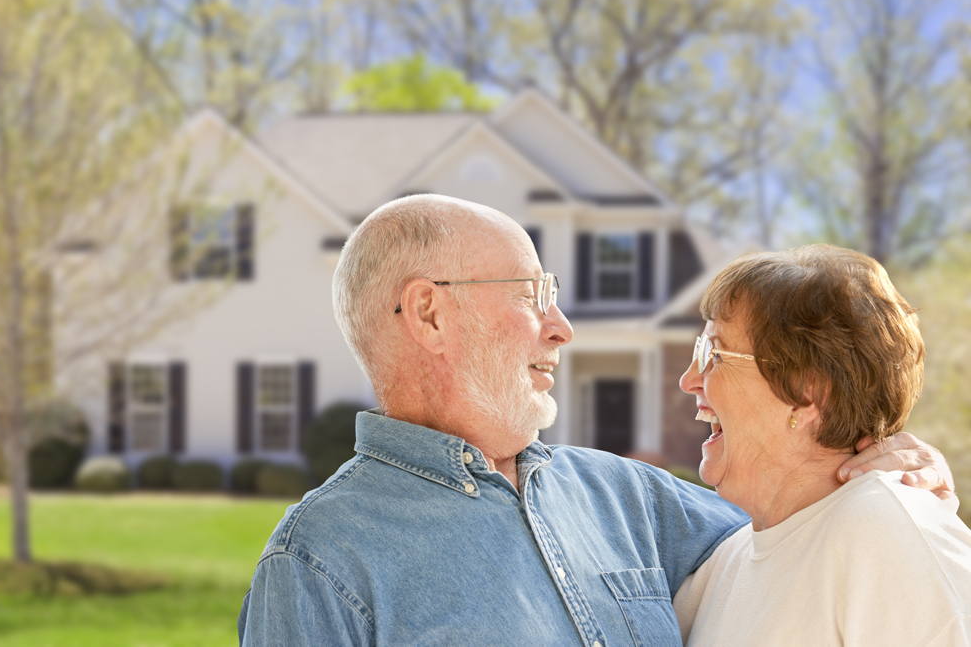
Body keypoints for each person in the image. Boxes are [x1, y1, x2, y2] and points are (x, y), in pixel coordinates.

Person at [237, 195, 954, 647]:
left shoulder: (628, 498)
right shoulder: (317, 566)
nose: (562, 326)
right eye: (532, 293)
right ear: (429, 311)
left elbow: (801, 525)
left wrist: (883, 454)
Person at [672, 245, 971, 646]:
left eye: (714, 353)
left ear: (807, 390)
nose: (689, 379)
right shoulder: (723, 565)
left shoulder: (886, 534)